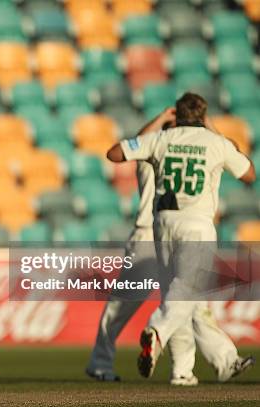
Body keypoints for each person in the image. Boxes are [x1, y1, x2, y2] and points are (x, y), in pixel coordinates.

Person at [106, 93, 256, 380]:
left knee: (181, 297)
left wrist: (161, 125)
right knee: (184, 294)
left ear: (177, 114)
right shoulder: (215, 142)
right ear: (203, 115)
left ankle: (192, 370)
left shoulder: (162, 139)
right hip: (196, 224)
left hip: (163, 224)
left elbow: (114, 153)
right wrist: (211, 127)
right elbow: (249, 173)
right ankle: (157, 332)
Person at [87, 158, 255, 385]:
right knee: (126, 305)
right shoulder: (157, 146)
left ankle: (202, 366)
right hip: (150, 233)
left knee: (186, 303)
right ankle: (101, 362)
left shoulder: (170, 147)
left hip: (170, 231)